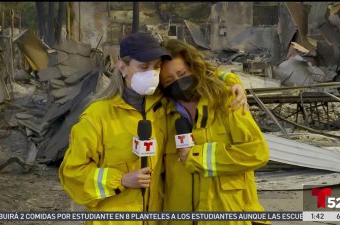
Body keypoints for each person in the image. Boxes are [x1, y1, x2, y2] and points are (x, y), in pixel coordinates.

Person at [59, 32, 248, 225]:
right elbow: (72, 174)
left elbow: (195, 71)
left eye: (157, 67)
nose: (152, 73)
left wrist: (232, 82)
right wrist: (121, 179)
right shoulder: (97, 116)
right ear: (122, 66)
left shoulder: (161, 108)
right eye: (144, 67)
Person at [159, 39, 270, 225]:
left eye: (182, 73)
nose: (179, 82)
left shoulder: (228, 102)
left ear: (194, 69)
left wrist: (198, 157)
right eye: (170, 81)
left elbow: (258, 152)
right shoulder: (162, 115)